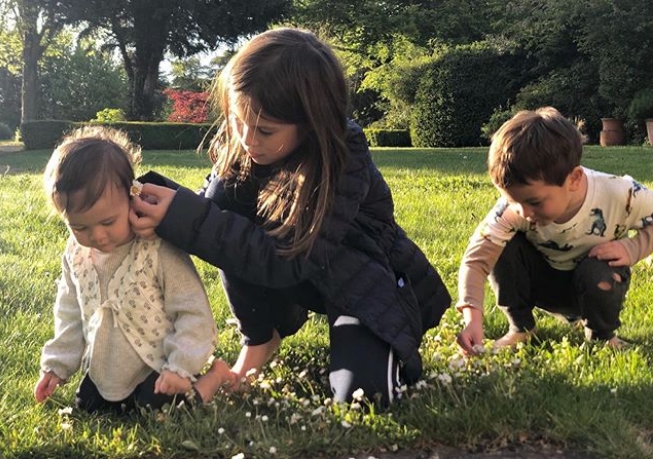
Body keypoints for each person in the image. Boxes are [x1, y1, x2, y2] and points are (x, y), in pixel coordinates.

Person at [129, 27, 451, 406]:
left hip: (362, 283)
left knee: (365, 397)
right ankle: (260, 340)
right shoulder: (245, 144)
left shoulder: (342, 157)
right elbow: (213, 218)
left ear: (313, 122)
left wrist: (186, 216)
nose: (248, 139)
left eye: (265, 130)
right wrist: (159, 207)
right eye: (237, 121)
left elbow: (288, 259)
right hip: (296, 276)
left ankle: (370, 343)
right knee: (221, 206)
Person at [35, 126, 230, 414]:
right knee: (88, 406)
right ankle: (110, 391)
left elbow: (193, 311)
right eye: (80, 227)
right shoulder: (77, 255)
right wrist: (56, 366)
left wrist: (180, 365)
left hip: (158, 364)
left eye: (108, 222)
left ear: (132, 197)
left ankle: (214, 376)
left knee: (160, 410)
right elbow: (69, 312)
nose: (98, 236)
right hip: (106, 368)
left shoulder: (156, 249)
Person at [456, 107, 653, 355]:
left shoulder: (620, 193)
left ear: (574, 179)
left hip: (596, 281)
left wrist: (633, 248)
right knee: (500, 246)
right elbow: (476, 260)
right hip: (543, 283)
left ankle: (602, 336)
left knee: (598, 272)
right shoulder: (514, 210)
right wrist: (472, 319)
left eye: (534, 202)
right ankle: (521, 327)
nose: (523, 212)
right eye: (513, 201)